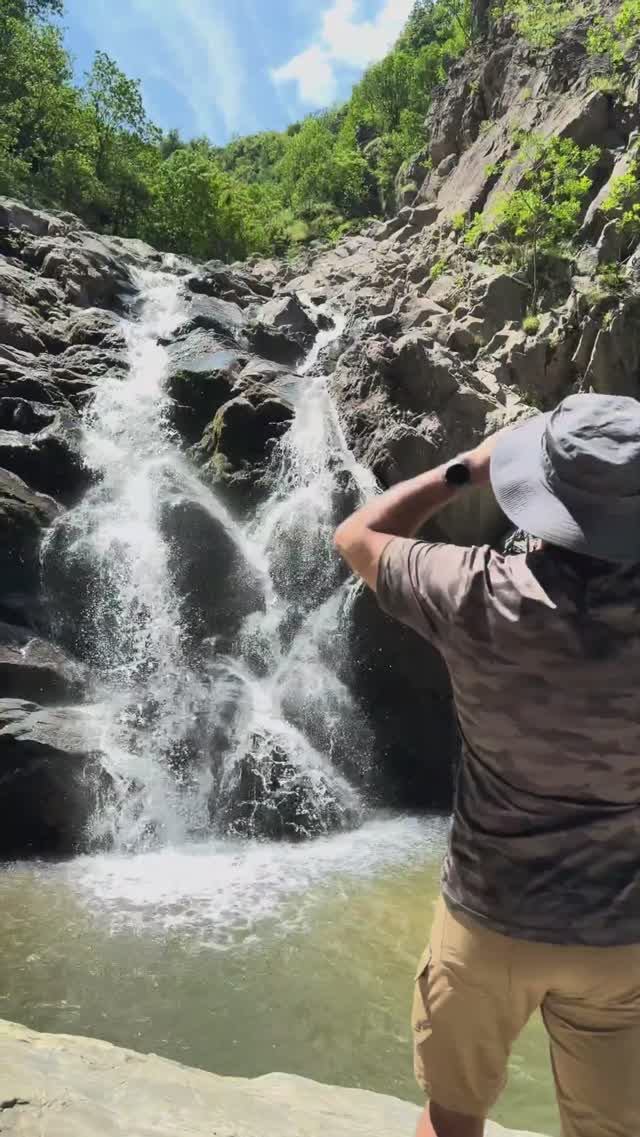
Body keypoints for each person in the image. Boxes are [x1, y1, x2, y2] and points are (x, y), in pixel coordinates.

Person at [334, 393, 640, 1137]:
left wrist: (467, 469)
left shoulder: (472, 589)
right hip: (623, 938)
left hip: (488, 920)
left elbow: (357, 533)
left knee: (450, 1121)